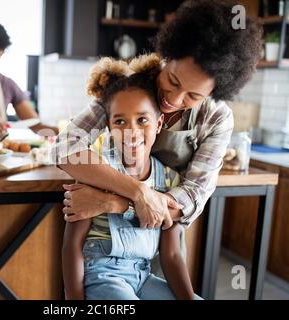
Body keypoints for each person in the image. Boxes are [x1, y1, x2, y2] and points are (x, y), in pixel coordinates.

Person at [54, 0, 263, 237]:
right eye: (172, 81)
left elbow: (194, 195)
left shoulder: (216, 117)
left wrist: (115, 204)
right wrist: (137, 192)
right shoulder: (128, 86)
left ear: (214, 93)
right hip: (107, 232)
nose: (174, 98)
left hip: (165, 232)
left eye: (193, 96)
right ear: (168, 55)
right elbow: (64, 147)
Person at [62, 54, 198, 300]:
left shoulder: (169, 179)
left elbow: (172, 255)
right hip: (102, 277)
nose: (131, 131)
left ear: (158, 124)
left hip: (143, 277)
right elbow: (72, 246)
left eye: (142, 120)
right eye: (120, 121)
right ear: (109, 126)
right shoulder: (97, 172)